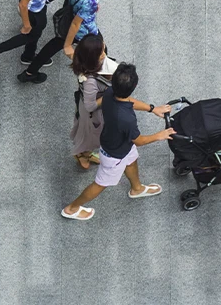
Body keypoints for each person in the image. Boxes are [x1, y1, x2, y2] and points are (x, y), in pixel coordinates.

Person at [60, 63, 173, 220]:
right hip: (114, 153)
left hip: (119, 143)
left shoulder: (110, 92)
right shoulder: (126, 119)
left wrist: (152, 109)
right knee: (100, 184)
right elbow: (139, 141)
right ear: (134, 86)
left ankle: (137, 189)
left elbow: (130, 101)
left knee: (132, 161)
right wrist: (159, 135)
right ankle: (72, 208)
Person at [21, 0, 112, 84]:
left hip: (69, 13)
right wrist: (68, 45)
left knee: (53, 45)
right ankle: (94, 73)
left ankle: (30, 72)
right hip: (85, 28)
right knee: (101, 48)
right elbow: (76, 23)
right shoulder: (90, 1)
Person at [68, 34, 109, 170]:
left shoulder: (82, 61)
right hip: (92, 113)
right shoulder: (90, 81)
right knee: (90, 136)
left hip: (86, 106)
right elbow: (90, 105)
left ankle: (86, 153)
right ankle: (83, 154)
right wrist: (111, 93)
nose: (104, 54)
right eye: (101, 52)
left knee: (88, 134)